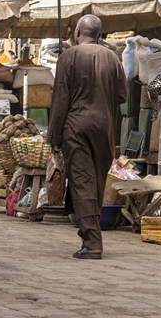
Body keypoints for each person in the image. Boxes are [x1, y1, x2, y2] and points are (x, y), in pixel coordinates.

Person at [48, 14, 128, 260]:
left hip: (76, 127)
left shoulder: (68, 57)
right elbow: (122, 96)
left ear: (77, 33)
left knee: (82, 180)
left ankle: (93, 242)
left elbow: (60, 100)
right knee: (95, 182)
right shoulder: (113, 58)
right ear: (100, 35)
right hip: (104, 128)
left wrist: (54, 137)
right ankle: (88, 234)